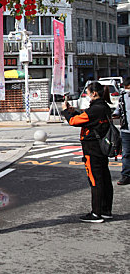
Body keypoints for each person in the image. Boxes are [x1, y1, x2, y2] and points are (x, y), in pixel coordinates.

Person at [62, 81, 113, 222]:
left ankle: (96, 213)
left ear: (94, 93)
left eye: (88, 92)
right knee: (104, 179)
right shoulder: (104, 107)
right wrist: (76, 111)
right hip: (102, 148)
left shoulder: (96, 109)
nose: (87, 95)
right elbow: (86, 117)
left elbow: (74, 121)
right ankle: (106, 210)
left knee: (95, 180)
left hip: (92, 149)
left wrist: (66, 111)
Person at [113, 77, 130, 185]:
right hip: (126, 129)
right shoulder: (123, 97)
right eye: (125, 87)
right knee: (126, 153)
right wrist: (114, 114)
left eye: (127, 86)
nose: (126, 89)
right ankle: (126, 175)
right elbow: (118, 110)